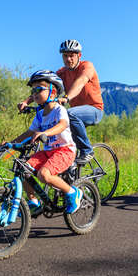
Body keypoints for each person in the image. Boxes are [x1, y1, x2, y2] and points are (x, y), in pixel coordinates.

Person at [8, 70, 82, 214]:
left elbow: (62, 125)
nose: (34, 93)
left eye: (39, 89)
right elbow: (29, 132)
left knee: (44, 175)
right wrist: (11, 143)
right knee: (24, 169)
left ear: (53, 93)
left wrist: (45, 133)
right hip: (48, 151)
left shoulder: (59, 110)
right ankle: (33, 201)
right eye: (33, 90)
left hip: (65, 150)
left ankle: (73, 192)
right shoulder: (40, 115)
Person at [18, 39, 104, 164]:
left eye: (72, 55)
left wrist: (66, 97)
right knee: (61, 137)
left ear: (79, 55)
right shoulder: (62, 72)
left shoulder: (87, 66)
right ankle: (70, 174)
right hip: (75, 113)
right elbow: (44, 87)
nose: (68, 59)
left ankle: (87, 150)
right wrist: (27, 101)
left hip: (94, 109)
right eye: (65, 56)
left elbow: (80, 82)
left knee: (69, 114)